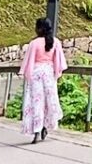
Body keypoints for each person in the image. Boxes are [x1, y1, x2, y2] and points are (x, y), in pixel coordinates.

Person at [18, 16, 66, 144]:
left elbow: (29, 60)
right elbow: (59, 62)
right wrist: (56, 73)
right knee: (49, 101)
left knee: (36, 102)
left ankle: (36, 131)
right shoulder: (55, 42)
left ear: (39, 29)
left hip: (36, 73)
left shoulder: (34, 43)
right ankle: (46, 125)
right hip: (49, 73)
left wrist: (25, 73)